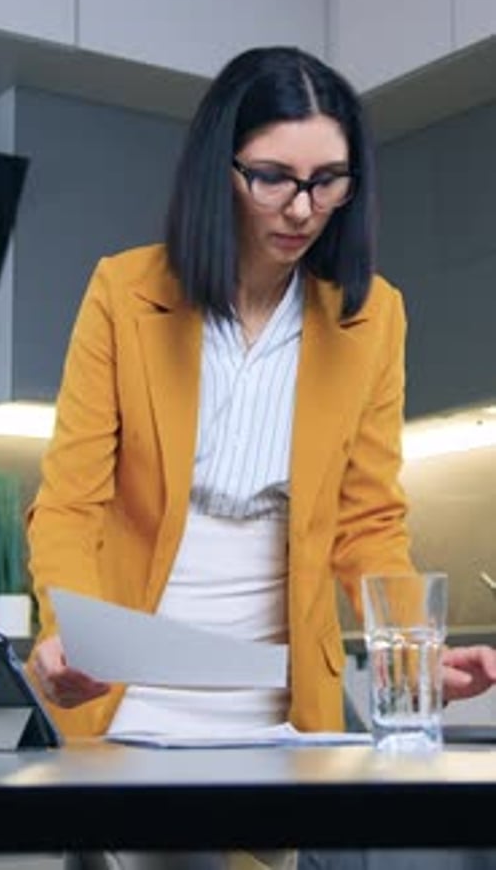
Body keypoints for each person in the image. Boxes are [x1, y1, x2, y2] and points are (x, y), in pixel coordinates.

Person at [26, 46, 496, 870]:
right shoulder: (124, 293)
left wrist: (417, 648)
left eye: (329, 179)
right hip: (133, 696)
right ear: (221, 167)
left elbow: (368, 522)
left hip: (281, 710)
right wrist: (70, 637)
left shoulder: (372, 316)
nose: (304, 208)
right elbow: (72, 503)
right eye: (272, 176)